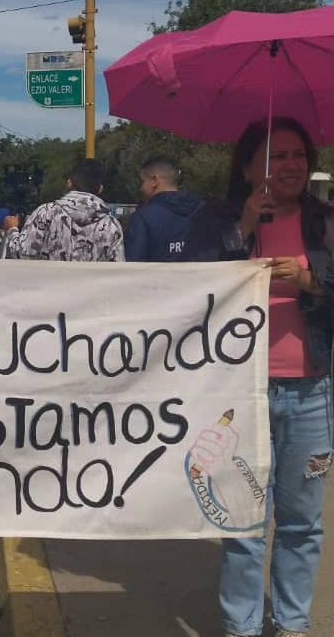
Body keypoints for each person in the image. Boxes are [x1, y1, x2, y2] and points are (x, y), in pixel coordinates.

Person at [193, 118, 333, 637]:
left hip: (312, 392)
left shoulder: (326, 222)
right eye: (276, 156)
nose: (290, 165)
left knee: (301, 523)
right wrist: (243, 230)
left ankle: (292, 625)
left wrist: (311, 283)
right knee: (243, 521)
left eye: (298, 154)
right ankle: (241, 627)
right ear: (249, 167)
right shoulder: (218, 219)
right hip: (239, 394)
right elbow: (188, 286)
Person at [3, 159, 123, 262]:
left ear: (69, 183)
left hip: (48, 288)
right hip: (93, 289)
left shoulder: (46, 213)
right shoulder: (111, 225)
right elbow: (118, 269)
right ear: (100, 189)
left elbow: (23, 254)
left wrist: (12, 229)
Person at [124, 156, 206, 262]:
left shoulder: (142, 218)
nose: (141, 188)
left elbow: (134, 263)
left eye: (142, 181)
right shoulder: (204, 211)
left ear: (154, 180)